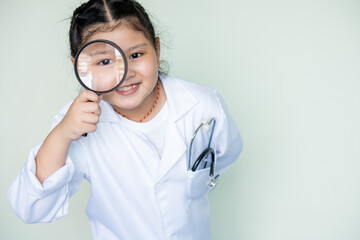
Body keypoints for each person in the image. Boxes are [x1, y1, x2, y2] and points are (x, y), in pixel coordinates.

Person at [7, 0, 243, 239]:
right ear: (79, 66)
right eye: (105, 61)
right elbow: (31, 208)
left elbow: (226, 154)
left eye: (136, 54)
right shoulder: (75, 124)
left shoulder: (202, 105)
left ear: (157, 50)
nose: (126, 73)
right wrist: (62, 134)